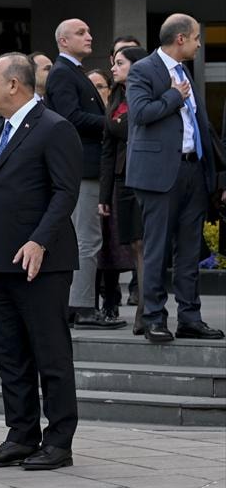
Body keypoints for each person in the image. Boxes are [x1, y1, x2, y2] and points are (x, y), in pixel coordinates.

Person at [0, 53, 82, 471]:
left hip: (42, 264)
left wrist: (39, 241)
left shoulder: (55, 127)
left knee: (50, 354)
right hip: (1, 263)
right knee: (11, 355)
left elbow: (65, 192)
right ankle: (20, 435)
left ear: (14, 85)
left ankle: (59, 441)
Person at [126, 14, 225, 342]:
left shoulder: (185, 72)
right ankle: (154, 318)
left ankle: (190, 318)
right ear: (180, 38)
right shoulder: (143, 70)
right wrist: (173, 96)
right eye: (196, 38)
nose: (200, 44)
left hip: (193, 170)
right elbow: (140, 114)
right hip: (158, 175)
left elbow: (201, 126)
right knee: (157, 249)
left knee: (189, 249)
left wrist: (214, 174)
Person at [45, 19, 124, 329]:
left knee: (85, 239)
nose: (89, 36)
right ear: (63, 41)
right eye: (81, 33)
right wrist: (111, 123)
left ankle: (78, 306)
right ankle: (83, 308)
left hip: (84, 167)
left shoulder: (72, 72)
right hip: (82, 168)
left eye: (89, 31)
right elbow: (70, 118)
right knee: (87, 240)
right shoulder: (63, 73)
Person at [100, 46, 149, 333]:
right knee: (133, 245)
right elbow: (107, 150)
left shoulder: (148, 94)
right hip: (122, 180)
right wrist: (104, 196)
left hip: (147, 177)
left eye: (120, 63)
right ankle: (146, 306)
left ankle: (146, 309)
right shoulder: (116, 98)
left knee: (143, 245)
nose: (113, 68)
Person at [87, 67, 133, 321]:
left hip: (115, 183)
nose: (96, 91)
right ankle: (92, 300)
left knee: (112, 246)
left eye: (100, 86)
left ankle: (112, 298)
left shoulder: (120, 109)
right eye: (91, 87)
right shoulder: (90, 115)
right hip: (91, 182)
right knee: (95, 246)